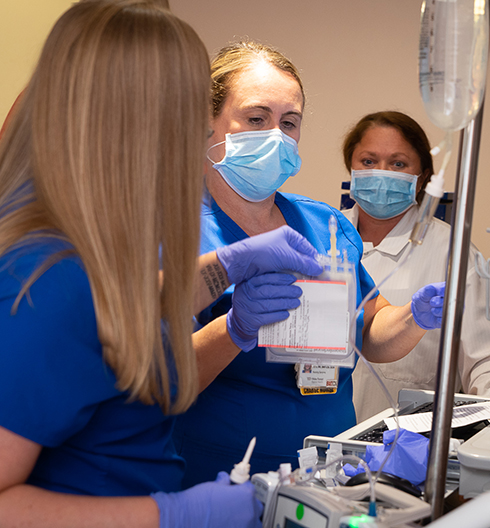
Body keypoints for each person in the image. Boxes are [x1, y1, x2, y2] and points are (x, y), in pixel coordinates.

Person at [0, 4, 326, 526]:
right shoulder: (48, 277)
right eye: (185, 118)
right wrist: (172, 514)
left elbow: (113, 310)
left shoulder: (88, 246)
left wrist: (227, 270)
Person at [173, 41, 445, 489]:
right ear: (206, 121)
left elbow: (369, 331)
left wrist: (414, 317)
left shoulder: (325, 224)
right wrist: (235, 327)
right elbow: (155, 381)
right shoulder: (174, 233)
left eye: (290, 122)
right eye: (257, 118)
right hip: (220, 476)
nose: (276, 136)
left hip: (331, 471)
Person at [341, 110, 490, 422]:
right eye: (368, 161)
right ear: (351, 167)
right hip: (321, 435)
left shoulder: (454, 253)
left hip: (409, 446)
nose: (381, 173)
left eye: (398, 163)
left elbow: (487, 362)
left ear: (423, 176)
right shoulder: (324, 240)